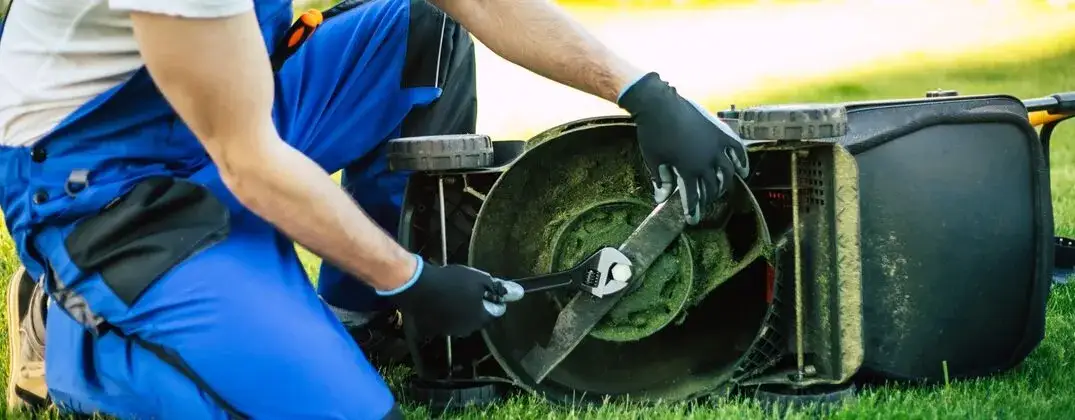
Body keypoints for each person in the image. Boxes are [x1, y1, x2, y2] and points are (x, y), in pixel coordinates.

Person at [0, 0, 750, 418]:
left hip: (231, 103)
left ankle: (358, 318)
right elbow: (248, 161)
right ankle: (67, 332)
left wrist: (640, 90)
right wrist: (412, 277)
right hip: (111, 190)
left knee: (424, 32)